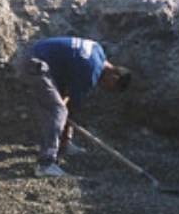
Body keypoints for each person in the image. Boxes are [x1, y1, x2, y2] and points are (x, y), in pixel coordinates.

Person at [23, 36, 130, 176]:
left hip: (43, 59)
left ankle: (64, 145)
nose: (106, 90)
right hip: (36, 64)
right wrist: (64, 120)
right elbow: (72, 106)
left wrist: (65, 136)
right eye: (111, 88)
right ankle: (45, 164)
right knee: (58, 111)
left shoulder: (98, 51)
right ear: (114, 77)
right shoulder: (90, 73)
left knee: (61, 107)